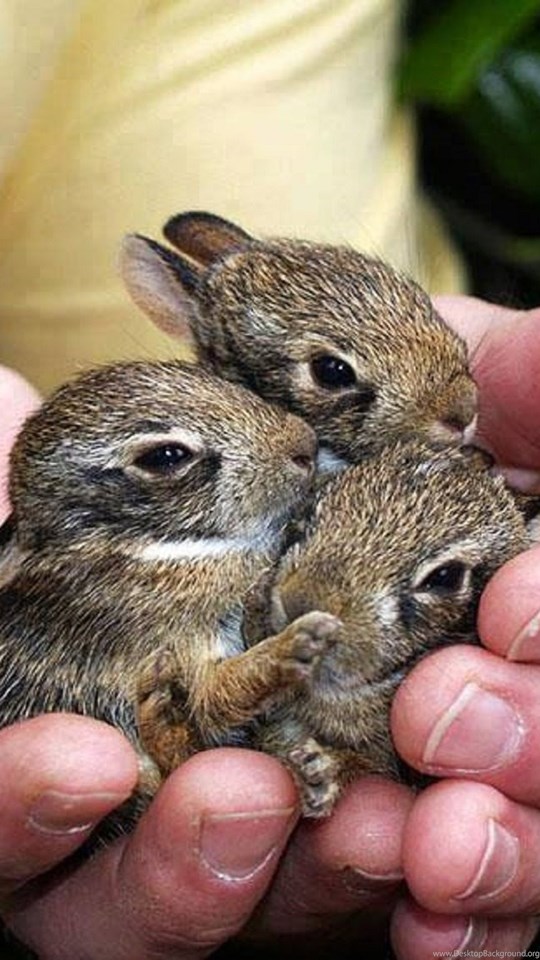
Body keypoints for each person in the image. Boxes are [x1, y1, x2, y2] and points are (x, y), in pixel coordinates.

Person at [2, 296, 540, 960]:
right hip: (140, 775)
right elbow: (194, 703)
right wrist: (276, 664)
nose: (296, 438)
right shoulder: (128, 592)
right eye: (168, 459)